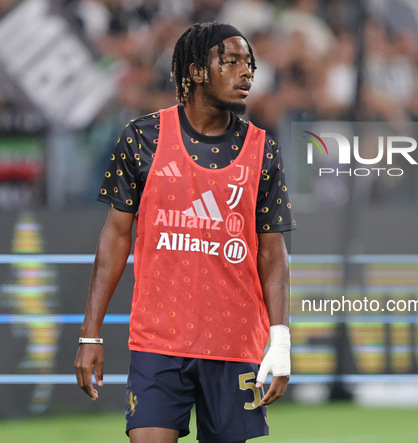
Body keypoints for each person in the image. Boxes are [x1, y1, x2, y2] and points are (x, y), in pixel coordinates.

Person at [74, 22, 294, 443]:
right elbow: (115, 237)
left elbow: (272, 254)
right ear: (194, 72)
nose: (246, 72)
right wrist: (90, 333)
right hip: (158, 342)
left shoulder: (264, 148)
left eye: (249, 64)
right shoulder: (142, 137)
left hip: (234, 345)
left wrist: (279, 341)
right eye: (230, 62)